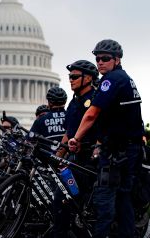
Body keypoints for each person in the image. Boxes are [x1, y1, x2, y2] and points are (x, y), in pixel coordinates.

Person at [68, 39, 144, 238]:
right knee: (122, 197)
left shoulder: (111, 80)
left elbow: (92, 114)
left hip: (117, 151)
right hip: (128, 147)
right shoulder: (124, 78)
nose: (100, 62)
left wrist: (76, 138)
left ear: (117, 59)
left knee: (105, 199)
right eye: (97, 58)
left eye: (105, 58)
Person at [52, 60, 100, 238]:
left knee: (65, 198)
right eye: (70, 77)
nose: (70, 80)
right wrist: (57, 156)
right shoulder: (74, 103)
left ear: (87, 78)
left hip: (91, 160)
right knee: (63, 199)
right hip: (77, 159)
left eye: (74, 77)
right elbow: (68, 133)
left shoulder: (95, 99)